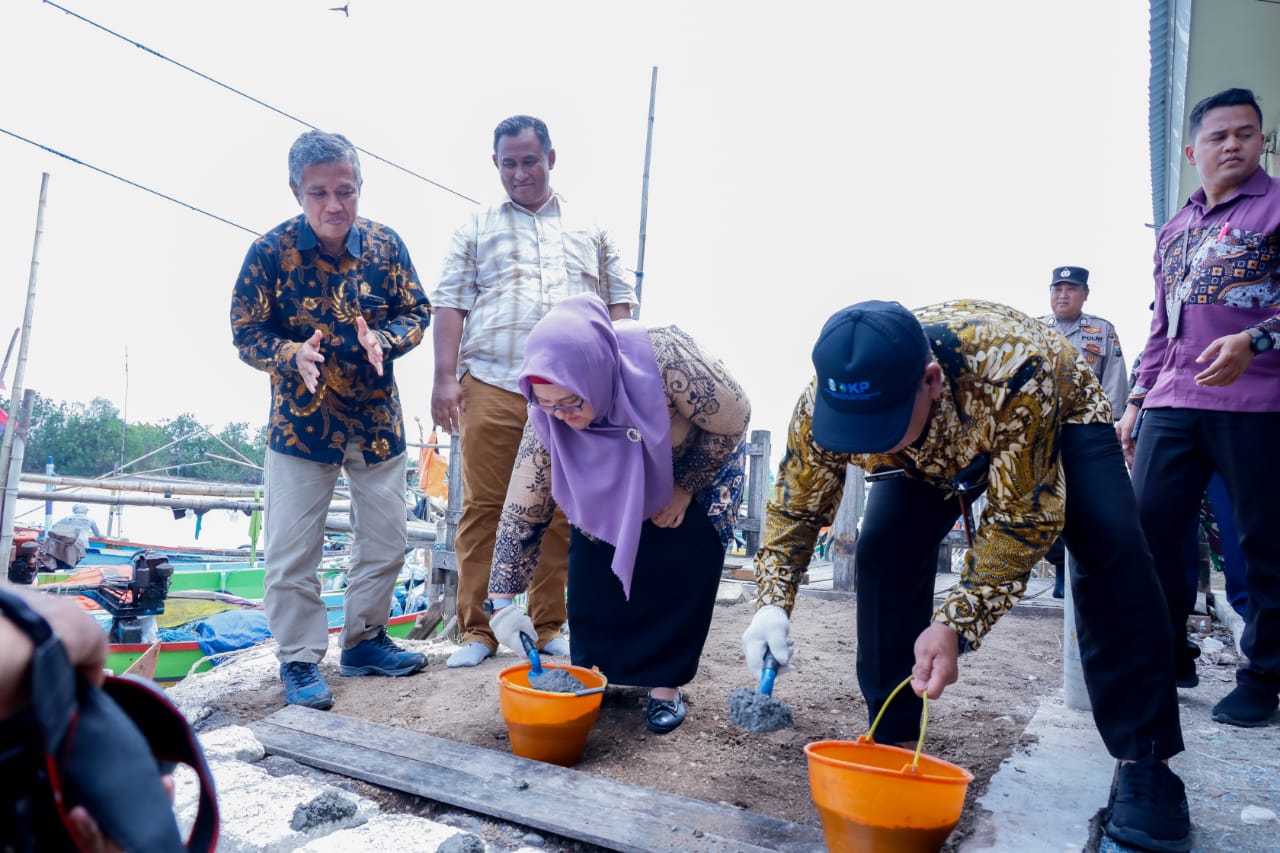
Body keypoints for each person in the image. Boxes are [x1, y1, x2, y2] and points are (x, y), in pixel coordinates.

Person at [747, 299, 1190, 852]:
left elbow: (1022, 519)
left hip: (1053, 411)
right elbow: (796, 507)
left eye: (875, 426)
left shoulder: (1014, 365)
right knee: (884, 550)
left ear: (928, 381)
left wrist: (955, 622)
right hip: (921, 449)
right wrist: (771, 602)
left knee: (1112, 544)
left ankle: (1145, 760)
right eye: (849, 431)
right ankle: (892, 741)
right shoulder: (827, 397)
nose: (860, 445)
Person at [484, 293, 749, 734]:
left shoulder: (668, 357)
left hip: (694, 465)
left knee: (676, 562)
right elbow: (522, 512)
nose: (562, 417)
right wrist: (503, 602)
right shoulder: (547, 416)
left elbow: (735, 417)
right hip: (604, 482)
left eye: (571, 402)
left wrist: (685, 488)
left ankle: (665, 684)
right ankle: (595, 673)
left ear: (594, 373)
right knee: (592, 566)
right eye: (548, 406)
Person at [230, 130, 431, 710]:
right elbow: (245, 331)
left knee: (388, 539)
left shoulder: (387, 247)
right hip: (301, 424)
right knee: (293, 549)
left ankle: (365, 641)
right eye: (319, 192)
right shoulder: (269, 254)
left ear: (359, 188)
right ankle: (298, 658)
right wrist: (291, 355)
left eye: (345, 190)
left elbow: (417, 309)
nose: (334, 204)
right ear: (297, 191)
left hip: (376, 421)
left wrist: (387, 341)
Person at [430, 115, 637, 668]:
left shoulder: (590, 228)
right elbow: (449, 302)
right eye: (508, 163)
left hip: (571, 396)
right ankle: (478, 630)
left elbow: (621, 305)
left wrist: (617, 381)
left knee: (562, 508)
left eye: (530, 160)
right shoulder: (474, 227)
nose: (520, 172)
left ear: (551, 157)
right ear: (495, 164)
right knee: (485, 507)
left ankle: (549, 625)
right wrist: (444, 378)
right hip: (494, 382)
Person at [1118, 87, 1280, 729]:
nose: (1234, 144)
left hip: (1259, 403)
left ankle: (1263, 676)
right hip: (1172, 401)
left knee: (1262, 542)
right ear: (1193, 150)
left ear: (1262, 140)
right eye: (1219, 136)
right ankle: (1165, 655)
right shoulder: (1177, 228)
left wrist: (1255, 339)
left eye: (1246, 133)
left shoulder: (1276, 208)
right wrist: (1136, 398)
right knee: (1148, 531)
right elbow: (1164, 322)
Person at [1038, 265, 1127, 598]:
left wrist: (1111, 425)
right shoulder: (1034, 329)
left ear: (1085, 294)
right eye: (1057, 288)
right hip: (1043, 432)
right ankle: (1060, 570)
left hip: (1088, 431)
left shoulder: (1101, 331)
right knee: (1048, 502)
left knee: (1087, 501)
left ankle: (1084, 574)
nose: (1063, 295)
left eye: (1071, 289)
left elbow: (1115, 380)